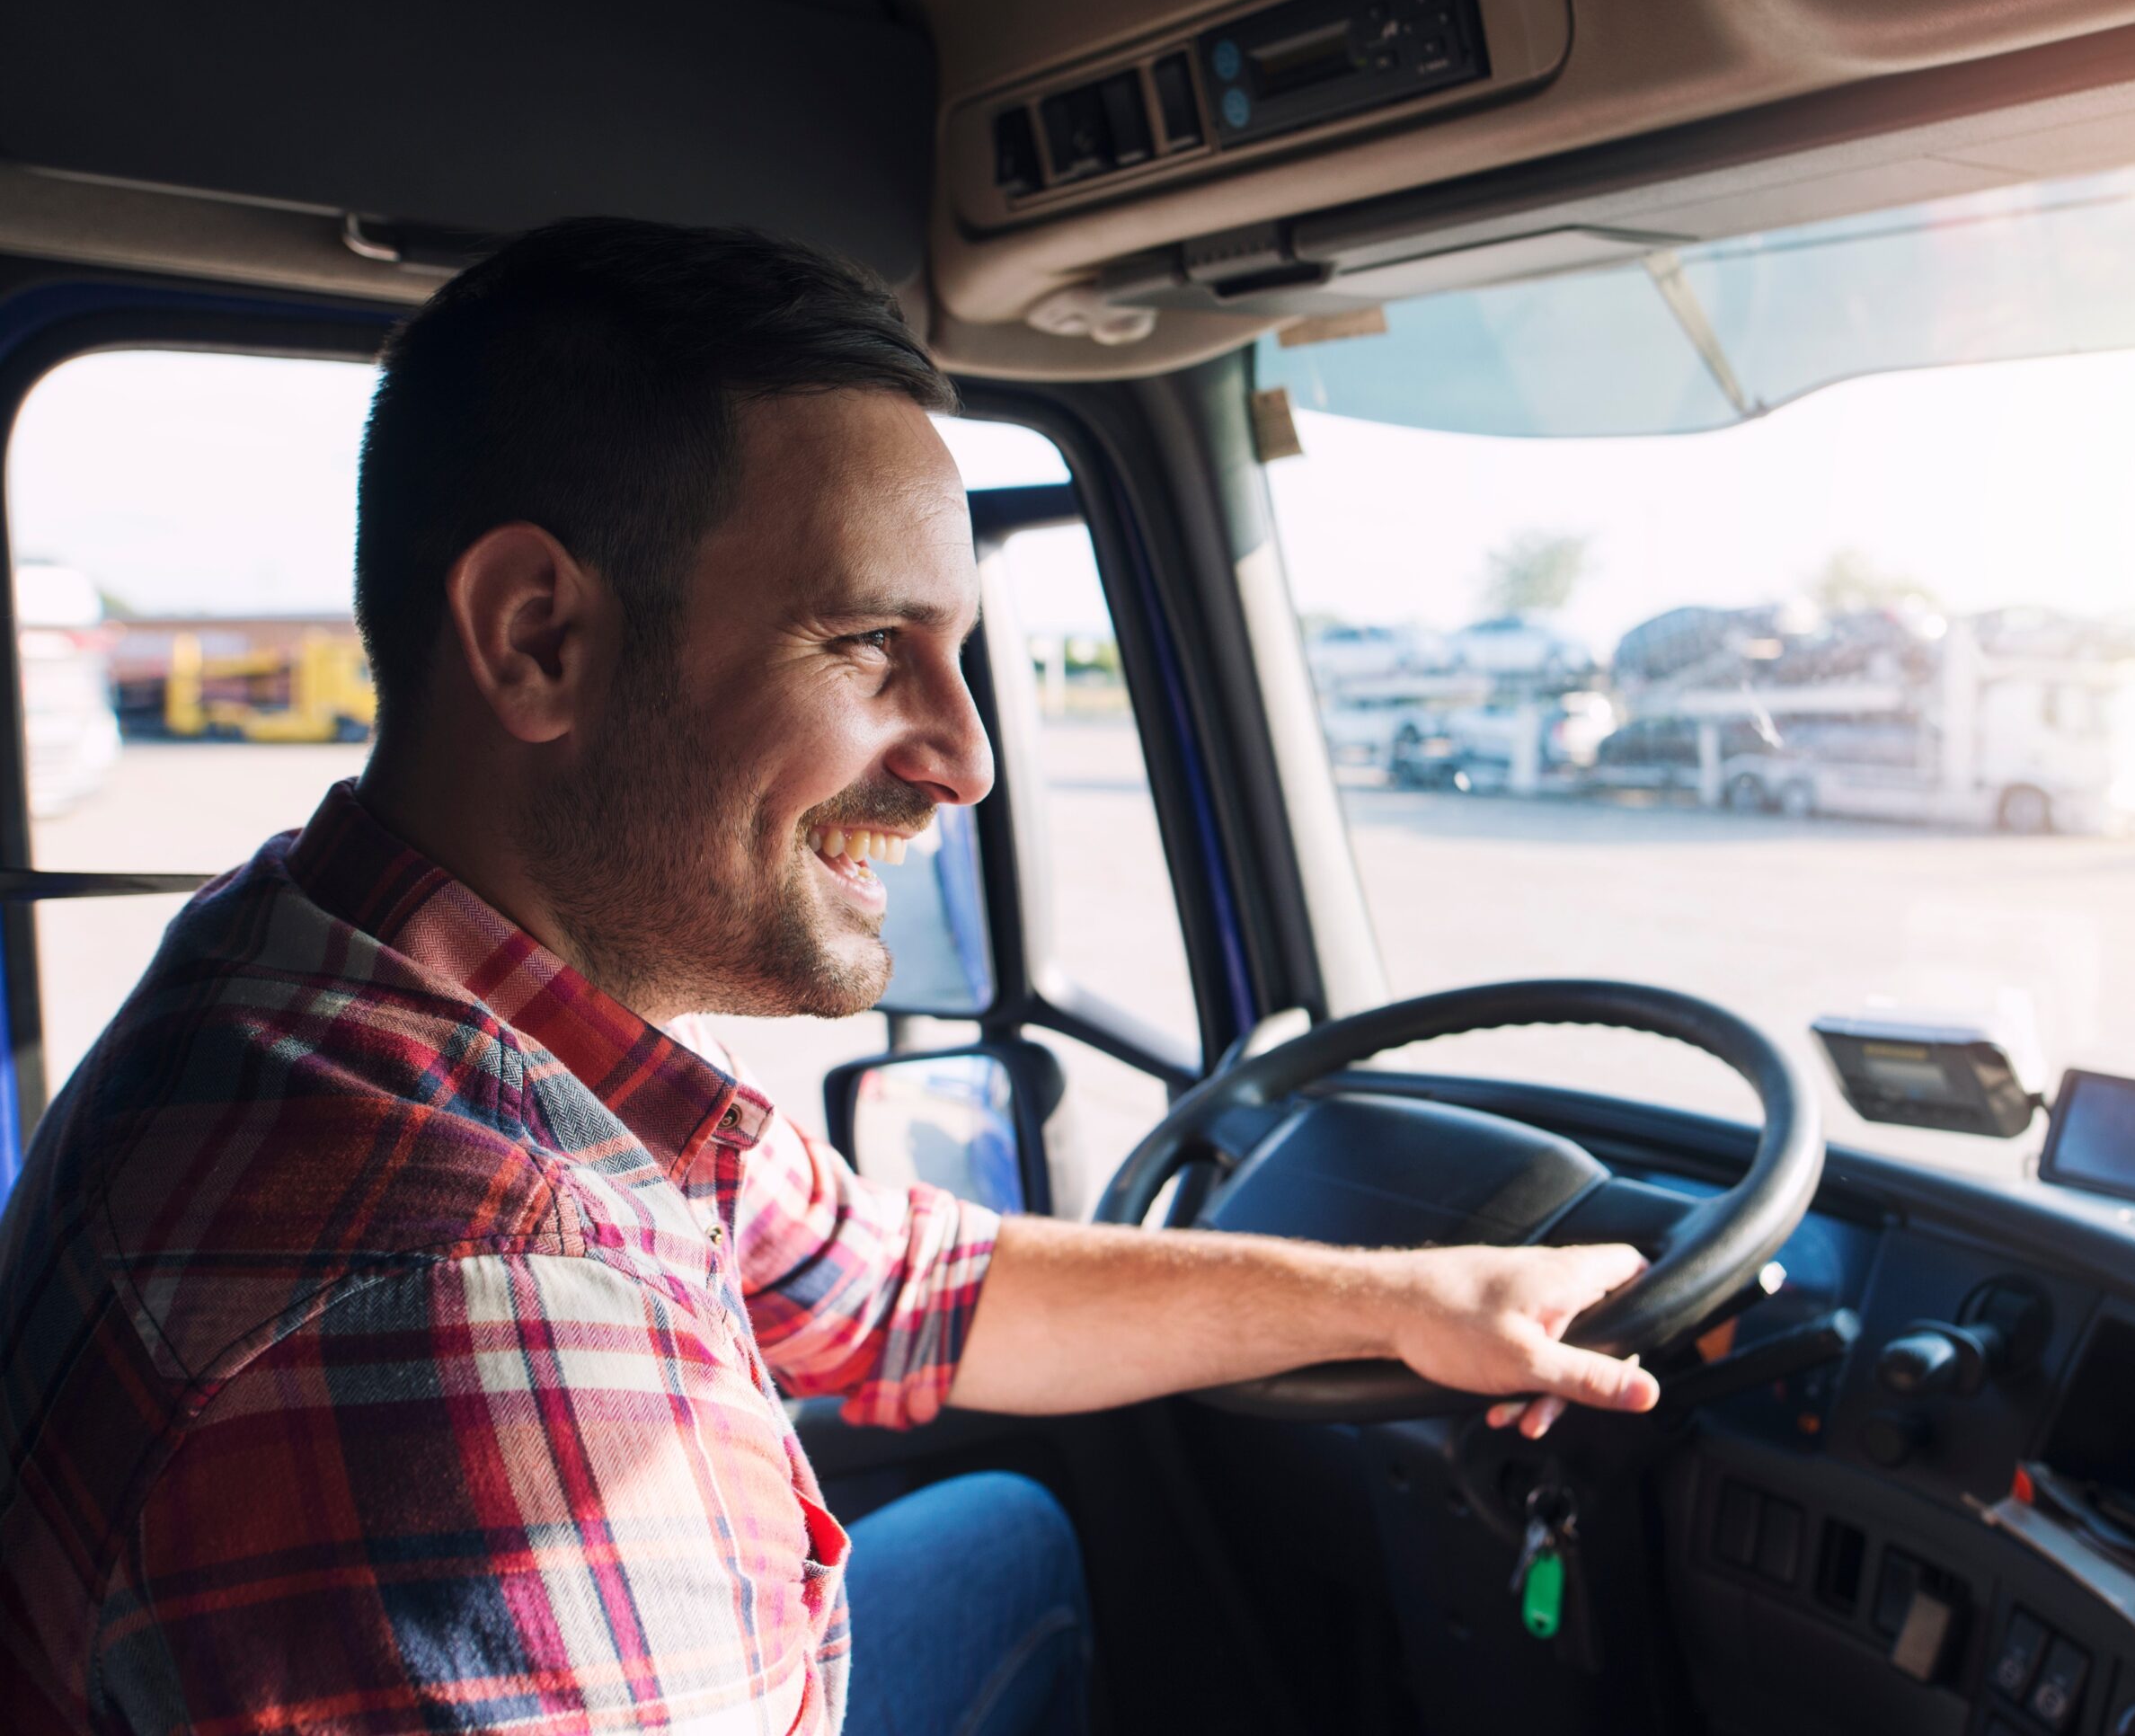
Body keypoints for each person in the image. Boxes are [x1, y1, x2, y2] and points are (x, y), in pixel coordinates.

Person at [0, 220, 1661, 1734]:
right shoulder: (479, 1317)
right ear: (534, 638)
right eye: (872, 644)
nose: (967, 758)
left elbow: (896, 1287)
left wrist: (1411, 1300)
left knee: (1005, 1536)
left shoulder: (342, 955)